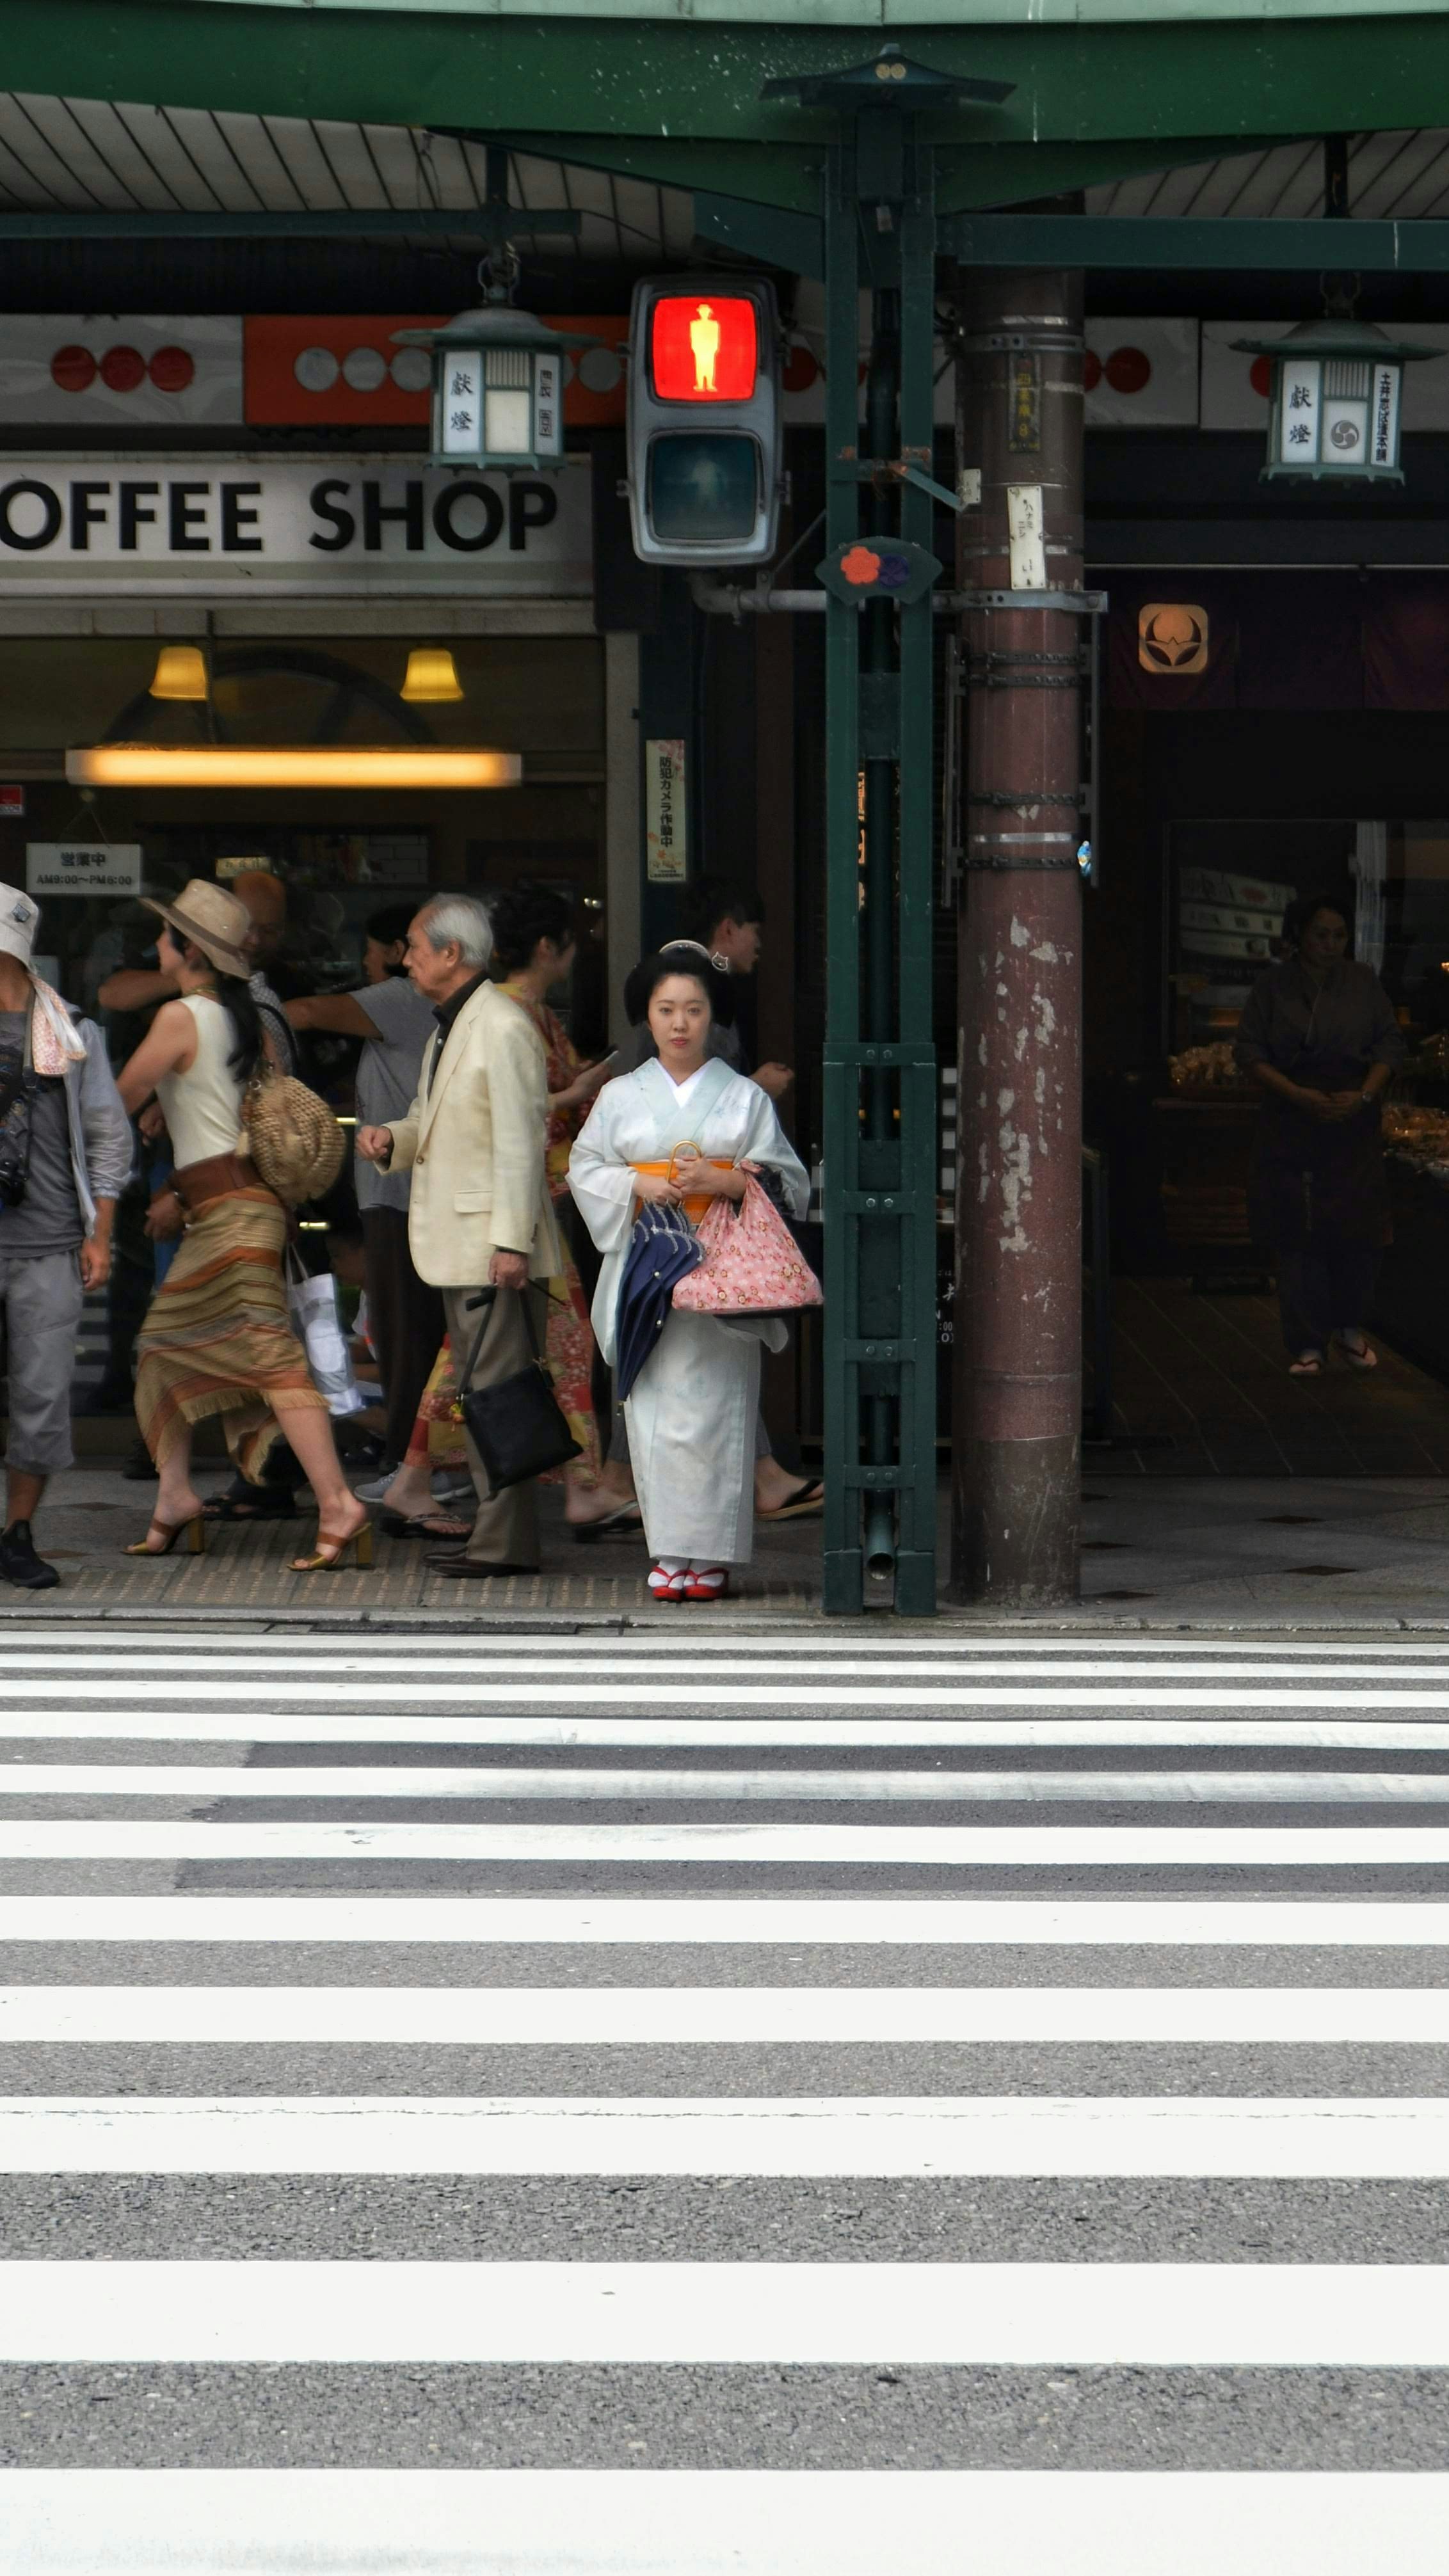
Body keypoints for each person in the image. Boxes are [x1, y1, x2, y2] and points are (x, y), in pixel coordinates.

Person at [115, 878, 371, 1570]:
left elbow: (119, 1097)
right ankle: (174, 1497)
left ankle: (339, 1505)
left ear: (188, 950)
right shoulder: (244, 1020)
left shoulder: (179, 1018)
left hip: (229, 1218)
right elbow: (221, 1116)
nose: (155, 945)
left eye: (165, 936)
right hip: (245, 1208)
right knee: (163, 1351)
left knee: (273, 1364)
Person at [568, 948, 808, 1604]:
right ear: (646, 1016)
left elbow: (788, 1182)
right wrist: (642, 1182)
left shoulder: (742, 1095)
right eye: (666, 1009)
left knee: (717, 1412)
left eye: (693, 1010)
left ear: (711, 1017)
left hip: (723, 1266)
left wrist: (725, 1179)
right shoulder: (620, 1095)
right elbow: (583, 1170)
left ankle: (710, 1557)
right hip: (648, 1268)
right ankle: (668, 1551)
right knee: (652, 1416)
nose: (679, 1023)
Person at [356, 893, 563, 1579]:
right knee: (486, 1394)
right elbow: (430, 1117)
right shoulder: (457, 1023)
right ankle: (495, 1536)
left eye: (413, 945)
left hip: (486, 1245)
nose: (403, 956)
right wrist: (396, 1139)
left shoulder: (497, 1026)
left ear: (451, 953)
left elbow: (518, 1143)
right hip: (466, 1243)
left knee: (498, 1393)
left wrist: (510, 1242)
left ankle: (504, 1542)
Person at [490, 879, 641, 1536]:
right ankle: (583, 1486)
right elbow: (504, 1115)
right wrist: (575, 1091)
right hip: (525, 1206)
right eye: (570, 945)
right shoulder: (509, 1018)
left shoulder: (531, 1014)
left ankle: (413, 1476)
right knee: (563, 1344)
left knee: (489, 1352)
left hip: (544, 1202)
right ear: (549, 947)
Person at [284, 902, 444, 1479]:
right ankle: (414, 1468)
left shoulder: (400, 996)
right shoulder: (423, 1008)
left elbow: (301, 1012)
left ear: (401, 951)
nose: (367, 963)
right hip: (408, 1189)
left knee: (405, 1345)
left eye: (374, 952)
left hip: (398, 1193)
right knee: (408, 1341)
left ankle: (414, 1472)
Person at [0, 884, 131, 1590]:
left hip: (48, 1243)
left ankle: (18, 1533)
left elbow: (108, 1134)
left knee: (43, 1396)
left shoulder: (71, 1031)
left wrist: (100, 1232)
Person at [1235, 891, 1405, 1378]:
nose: (1331, 945)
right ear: (1299, 937)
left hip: (1353, 1119)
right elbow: (1249, 1052)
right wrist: (1296, 1094)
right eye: (1320, 935)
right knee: (1300, 1233)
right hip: (1294, 1117)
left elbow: (1390, 1045)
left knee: (1360, 1231)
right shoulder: (1274, 986)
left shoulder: (1363, 982)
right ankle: (1308, 1342)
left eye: (1339, 936)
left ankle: (1351, 1328)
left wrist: (1366, 1096)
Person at [625, 876, 794, 1103]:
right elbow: (689, 1091)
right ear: (729, 929)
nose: (758, 943)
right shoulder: (703, 988)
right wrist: (758, 1086)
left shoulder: (692, 979)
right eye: (755, 931)